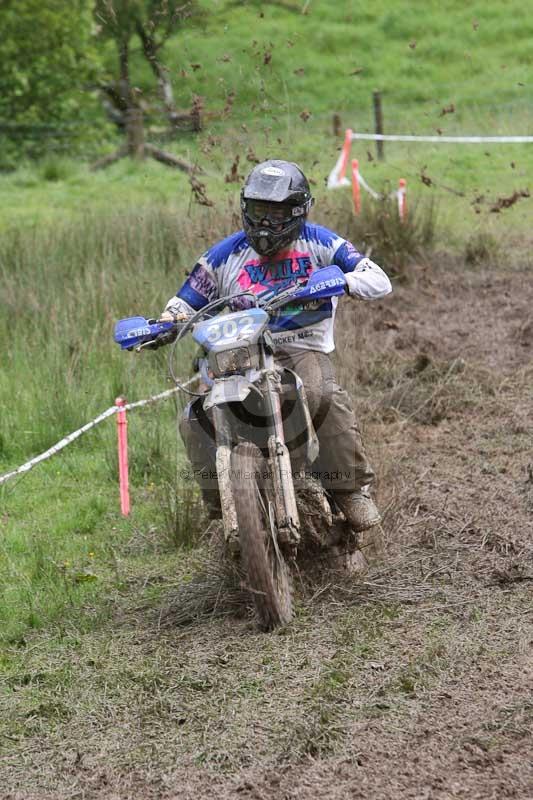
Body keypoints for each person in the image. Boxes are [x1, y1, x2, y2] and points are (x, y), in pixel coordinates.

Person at [160, 159, 392, 538]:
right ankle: (221, 502)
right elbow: (185, 301)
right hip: (238, 354)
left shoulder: (321, 242)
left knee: (321, 394)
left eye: (276, 213)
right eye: (258, 212)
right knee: (194, 417)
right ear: (244, 207)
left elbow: (378, 279)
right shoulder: (224, 255)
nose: (265, 224)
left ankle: (350, 490)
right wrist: (164, 324)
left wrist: (342, 282)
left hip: (301, 348)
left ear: (298, 210)